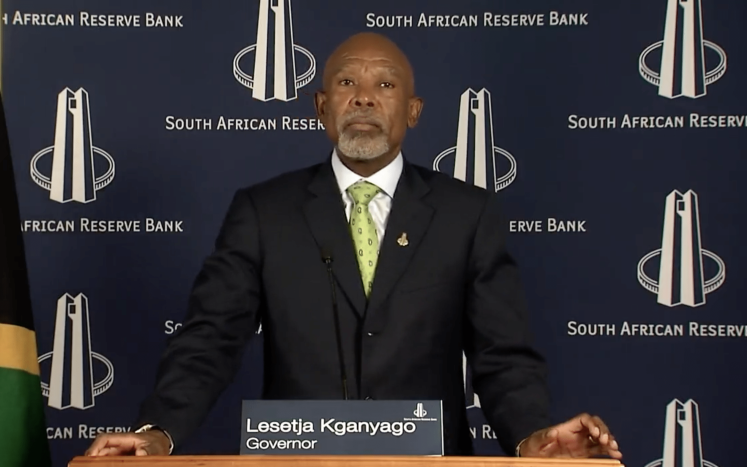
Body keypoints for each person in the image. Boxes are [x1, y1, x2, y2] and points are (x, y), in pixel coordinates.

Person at [85, 32, 622, 459]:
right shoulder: (264, 212)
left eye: (385, 84)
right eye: (346, 82)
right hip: (299, 463)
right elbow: (210, 340)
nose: (364, 96)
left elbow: (502, 354)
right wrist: (158, 432)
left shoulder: (467, 215)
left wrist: (532, 439)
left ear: (413, 110)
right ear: (322, 106)